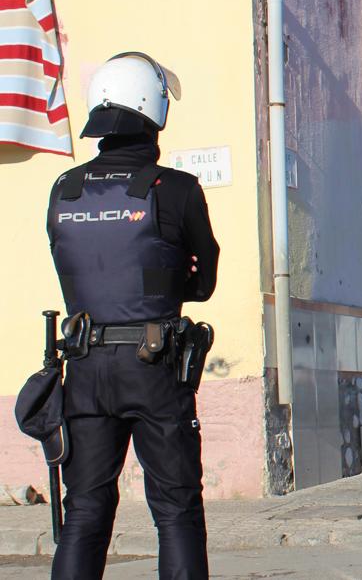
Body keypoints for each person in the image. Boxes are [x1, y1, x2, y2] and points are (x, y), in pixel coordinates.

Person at [46, 52, 219, 580]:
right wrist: (170, 282)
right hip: (154, 364)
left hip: (85, 368)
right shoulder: (176, 189)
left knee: (85, 513)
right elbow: (204, 282)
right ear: (153, 110)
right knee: (176, 511)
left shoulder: (64, 189)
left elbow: (72, 266)